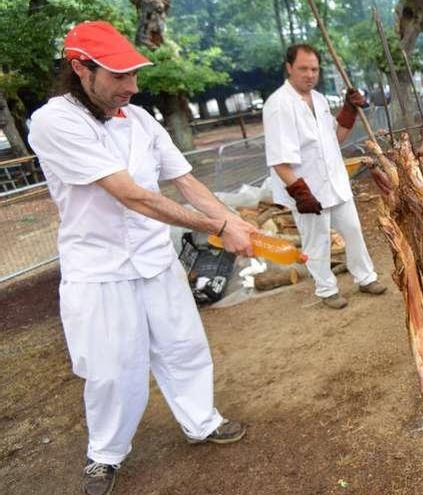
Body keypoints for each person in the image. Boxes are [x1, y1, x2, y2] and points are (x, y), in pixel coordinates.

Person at [27, 21, 254, 495]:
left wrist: (233, 219)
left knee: (184, 346)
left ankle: (202, 421)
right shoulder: (55, 121)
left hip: (155, 259)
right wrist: (217, 227)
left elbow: (185, 180)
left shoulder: (142, 119)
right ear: (80, 69)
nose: (132, 86)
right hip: (99, 269)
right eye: (119, 76)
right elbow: (133, 196)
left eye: (134, 74)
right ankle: (105, 455)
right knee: (112, 369)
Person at [263, 44, 386, 309]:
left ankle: (365, 277)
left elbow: (336, 138)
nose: (309, 74)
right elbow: (278, 160)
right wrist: (300, 191)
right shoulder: (278, 105)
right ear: (289, 68)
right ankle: (326, 289)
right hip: (306, 187)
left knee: (353, 231)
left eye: (314, 69)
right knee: (316, 242)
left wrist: (348, 110)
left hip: (335, 182)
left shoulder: (318, 99)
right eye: (303, 69)